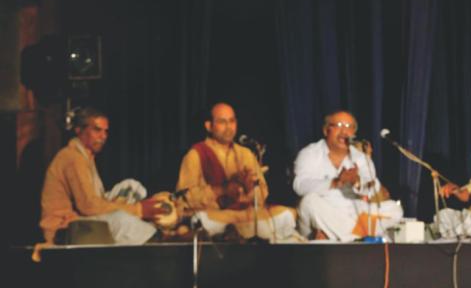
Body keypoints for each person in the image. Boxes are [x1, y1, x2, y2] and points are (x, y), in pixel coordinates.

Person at [40, 107, 168, 245]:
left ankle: (151, 233)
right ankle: (158, 238)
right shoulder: (72, 157)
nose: (103, 136)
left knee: (132, 187)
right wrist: (138, 210)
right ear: (79, 130)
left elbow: (94, 202)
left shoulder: (86, 157)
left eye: (105, 131)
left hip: (83, 221)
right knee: (121, 220)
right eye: (97, 130)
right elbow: (88, 206)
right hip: (64, 229)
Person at [177, 103, 298, 242]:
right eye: (222, 122)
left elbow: (263, 192)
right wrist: (222, 190)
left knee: (288, 214)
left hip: (245, 215)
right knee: (202, 220)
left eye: (232, 121)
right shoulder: (196, 154)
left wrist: (250, 191)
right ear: (209, 126)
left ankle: (242, 232)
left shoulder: (245, 153)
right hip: (218, 216)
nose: (229, 127)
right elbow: (182, 199)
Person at [293, 110, 403, 242]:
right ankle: (358, 237)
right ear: (326, 130)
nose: (344, 132)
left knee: (394, 209)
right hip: (323, 211)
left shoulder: (360, 158)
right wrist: (335, 182)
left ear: (353, 133)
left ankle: (334, 235)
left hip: (353, 212)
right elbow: (299, 185)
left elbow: (373, 188)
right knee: (308, 202)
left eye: (349, 127)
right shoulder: (309, 153)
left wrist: (357, 181)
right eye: (338, 125)